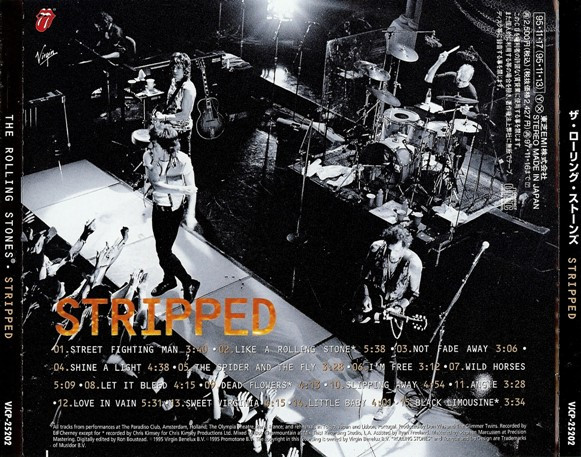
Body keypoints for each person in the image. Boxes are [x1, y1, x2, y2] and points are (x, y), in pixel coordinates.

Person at [356, 225, 423, 422]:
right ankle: (369, 362)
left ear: (405, 247)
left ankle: (388, 402)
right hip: (374, 302)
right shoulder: (377, 248)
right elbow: (364, 277)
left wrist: (399, 308)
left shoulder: (414, 263)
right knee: (368, 333)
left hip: (394, 309)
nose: (392, 254)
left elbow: (413, 294)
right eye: (390, 249)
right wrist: (366, 296)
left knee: (390, 356)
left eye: (396, 251)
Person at [143, 122, 200, 302]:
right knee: (161, 250)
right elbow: (156, 185)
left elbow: (193, 189)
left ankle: (188, 282)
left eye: (154, 144)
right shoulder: (149, 156)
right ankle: (170, 279)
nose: (150, 146)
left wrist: (190, 214)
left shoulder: (183, 161)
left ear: (166, 147)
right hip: (158, 209)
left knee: (164, 252)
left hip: (173, 212)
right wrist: (182, 190)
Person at [155, 52, 196, 156]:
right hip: (170, 129)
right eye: (173, 67)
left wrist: (164, 117)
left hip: (181, 133)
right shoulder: (174, 81)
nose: (174, 71)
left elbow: (184, 115)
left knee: (181, 161)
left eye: (178, 68)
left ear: (185, 70)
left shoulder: (188, 88)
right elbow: (171, 102)